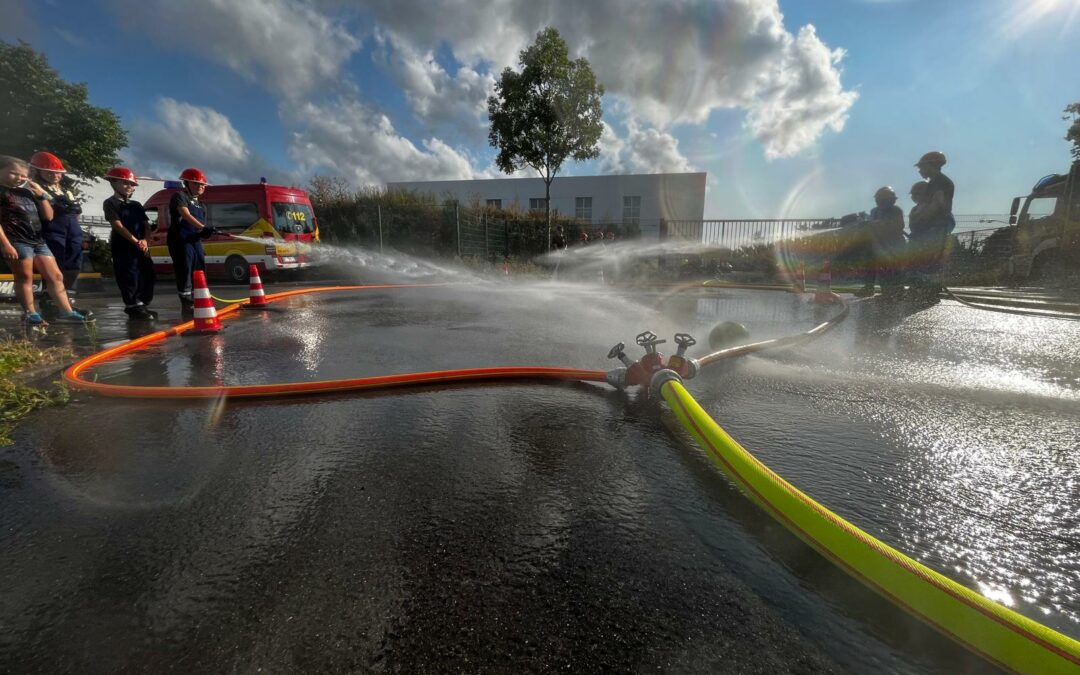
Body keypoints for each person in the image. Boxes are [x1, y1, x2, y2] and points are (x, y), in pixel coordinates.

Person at [0, 156, 92, 326]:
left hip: (38, 240)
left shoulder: (26, 191)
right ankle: (30, 313)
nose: (20, 178)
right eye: (14, 173)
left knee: (56, 275)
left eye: (23, 175)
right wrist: (5, 244)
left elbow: (48, 216)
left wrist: (42, 196)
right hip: (17, 240)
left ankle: (67, 311)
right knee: (24, 277)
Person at [103, 167, 157, 320]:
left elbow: (146, 225)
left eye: (131, 184)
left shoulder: (136, 205)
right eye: (125, 183)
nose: (129, 187)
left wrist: (145, 240)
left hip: (141, 246)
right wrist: (135, 241)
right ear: (114, 183)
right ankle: (133, 306)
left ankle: (143, 304)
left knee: (148, 274)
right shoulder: (110, 203)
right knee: (129, 276)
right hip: (124, 246)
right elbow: (118, 226)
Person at [30, 151, 83, 300]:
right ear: (38, 171)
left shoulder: (67, 192)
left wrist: (76, 230)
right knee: (54, 265)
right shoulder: (36, 189)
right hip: (52, 231)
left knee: (74, 263)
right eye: (49, 172)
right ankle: (50, 299)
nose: (55, 176)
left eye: (58, 173)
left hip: (73, 232)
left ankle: (67, 296)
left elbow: (77, 212)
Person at [167, 167, 214, 314]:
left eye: (202, 185)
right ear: (186, 183)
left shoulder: (201, 205)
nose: (200, 187)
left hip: (194, 240)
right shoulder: (179, 196)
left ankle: (199, 297)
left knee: (200, 268)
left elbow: (199, 225)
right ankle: (187, 303)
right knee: (185, 269)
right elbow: (185, 215)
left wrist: (204, 233)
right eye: (196, 184)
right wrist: (203, 227)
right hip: (181, 240)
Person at [912, 151, 955, 295]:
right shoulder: (935, 182)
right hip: (933, 225)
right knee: (928, 257)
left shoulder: (939, 182)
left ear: (931, 165)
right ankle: (927, 288)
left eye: (922, 167)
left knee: (931, 257)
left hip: (936, 225)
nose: (920, 170)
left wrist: (921, 217)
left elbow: (937, 203)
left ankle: (929, 290)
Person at [855, 187, 906, 297]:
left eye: (884, 200)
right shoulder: (874, 211)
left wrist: (881, 224)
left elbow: (899, 226)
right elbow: (871, 226)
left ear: (892, 201)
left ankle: (895, 290)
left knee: (892, 269)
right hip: (877, 244)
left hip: (893, 245)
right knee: (870, 264)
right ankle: (869, 287)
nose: (880, 202)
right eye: (878, 200)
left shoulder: (896, 211)